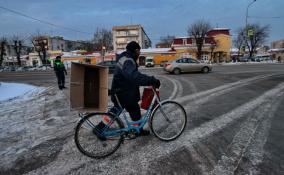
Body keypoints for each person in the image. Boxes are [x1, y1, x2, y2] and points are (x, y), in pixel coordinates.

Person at [109, 41, 161, 136]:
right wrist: (151, 80)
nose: (139, 54)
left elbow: (131, 77)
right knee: (127, 110)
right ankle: (101, 128)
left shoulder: (125, 58)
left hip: (122, 92)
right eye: (139, 51)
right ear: (136, 50)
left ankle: (138, 130)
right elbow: (134, 76)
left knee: (133, 111)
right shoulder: (128, 60)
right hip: (123, 93)